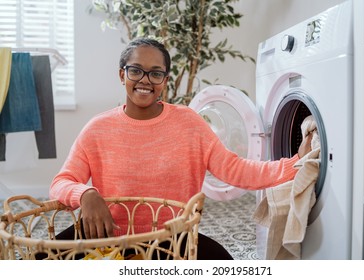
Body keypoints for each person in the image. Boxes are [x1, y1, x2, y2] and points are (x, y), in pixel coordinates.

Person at [49, 37, 313, 260]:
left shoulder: (188, 122)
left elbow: (235, 170)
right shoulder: (98, 128)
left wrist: (294, 163)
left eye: (155, 73)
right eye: (136, 70)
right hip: (106, 238)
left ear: (165, 80)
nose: (145, 80)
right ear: (122, 75)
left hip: (173, 239)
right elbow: (62, 182)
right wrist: (87, 194)